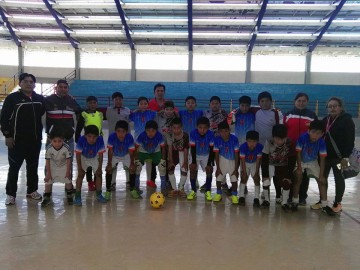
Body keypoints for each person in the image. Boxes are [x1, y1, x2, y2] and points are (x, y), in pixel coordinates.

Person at [1, 73, 45, 205]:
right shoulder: (12, 98)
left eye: (31, 82)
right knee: (14, 168)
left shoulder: (39, 98)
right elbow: (4, 118)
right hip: (16, 141)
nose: (29, 84)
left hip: (35, 140)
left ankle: (32, 191)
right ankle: (10, 194)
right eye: (26, 81)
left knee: (33, 167)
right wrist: (7, 135)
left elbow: (42, 113)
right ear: (20, 83)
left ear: (34, 84)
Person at [44, 79, 82, 189]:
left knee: (68, 163)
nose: (63, 89)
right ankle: (48, 189)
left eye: (65, 87)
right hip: (52, 139)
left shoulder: (71, 101)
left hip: (68, 138)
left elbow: (80, 112)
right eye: (60, 87)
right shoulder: (48, 100)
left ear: (68, 89)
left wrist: (74, 130)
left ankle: (68, 187)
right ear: (56, 88)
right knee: (49, 163)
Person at [321, 97, 355, 214]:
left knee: (339, 178)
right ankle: (322, 200)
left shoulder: (347, 120)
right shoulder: (326, 120)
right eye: (330, 106)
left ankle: (338, 202)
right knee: (322, 178)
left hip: (340, 158)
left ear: (340, 107)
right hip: (325, 157)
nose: (332, 108)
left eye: (335, 106)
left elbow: (350, 140)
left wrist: (345, 157)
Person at [291, 120, 333, 215]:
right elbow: (298, 153)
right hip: (301, 160)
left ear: (322, 134)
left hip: (313, 161)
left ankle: (324, 205)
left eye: (318, 133)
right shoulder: (302, 138)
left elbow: (322, 159)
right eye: (313, 132)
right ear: (308, 131)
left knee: (322, 181)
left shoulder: (322, 142)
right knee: (298, 178)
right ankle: (295, 201)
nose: (315, 135)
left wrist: (321, 175)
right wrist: (299, 168)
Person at [284, 93, 318, 205]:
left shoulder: (312, 115)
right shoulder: (288, 115)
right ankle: (290, 196)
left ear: (307, 102)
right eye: (299, 100)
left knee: (303, 175)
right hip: (290, 150)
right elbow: (283, 131)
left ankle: (302, 196)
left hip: (306, 152)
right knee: (290, 173)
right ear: (295, 101)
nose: (301, 103)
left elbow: (316, 132)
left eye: (304, 101)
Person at [254, 91, 282, 203]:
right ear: (259, 103)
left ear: (271, 101)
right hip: (259, 147)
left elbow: (280, 129)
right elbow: (241, 108)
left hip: (273, 148)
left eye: (267, 101)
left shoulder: (276, 113)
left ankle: (279, 194)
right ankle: (265, 191)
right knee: (263, 170)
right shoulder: (255, 111)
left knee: (275, 171)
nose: (265, 103)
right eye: (262, 101)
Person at [75, 95, 104, 192]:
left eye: (94, 102)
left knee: (97, 161)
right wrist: (77, 139)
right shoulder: (84, 114)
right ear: (87, 104)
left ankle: (96, 181)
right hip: (87, 141)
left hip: (98, 140)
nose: (92, 104)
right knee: (88, 163)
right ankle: (90, 182)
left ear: (97, 104)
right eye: (90, 103)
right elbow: (79, 127)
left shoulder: (100, 114)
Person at [261, 124, 292, 211]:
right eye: (277, 139)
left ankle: (284, 202)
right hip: (271, 164)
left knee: (286, 181)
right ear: (273, 137)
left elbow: (292, 159)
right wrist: (265, 175)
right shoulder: (268, 142)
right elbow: (264, 160)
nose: (280, 141)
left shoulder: (289, 142)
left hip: (283, 165)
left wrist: (289, 175)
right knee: (266, 181)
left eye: (282, 139)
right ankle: (266, 200)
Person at [74, 125, 107, 206]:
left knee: (99, 174)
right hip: (83, 156)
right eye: (89, 136)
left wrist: (99, 168)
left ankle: (99, 194)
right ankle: (77, 197)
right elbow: (78, 154)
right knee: (80, 175)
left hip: (94, 157)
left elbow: (101, 154)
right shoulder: (81, 140)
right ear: (85, 135)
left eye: (94, 137)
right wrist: (79, 168)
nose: (92, 139)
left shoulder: (100, 140)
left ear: (98, 136)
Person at [129, 97, 157, 188]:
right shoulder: (134, 114)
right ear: (138, 105)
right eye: (141, 103)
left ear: (148, 105)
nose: (143, 105)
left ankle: (149, 180)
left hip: (150, 141)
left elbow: (160, 114)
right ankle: (136, 182)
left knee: (149, 161)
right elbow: (127, 117)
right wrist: (134, 111)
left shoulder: (151, 113)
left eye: (145, 103)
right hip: (138, 142)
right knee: (138, 162)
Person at [41, 126, 73, 207]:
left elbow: (69, 161)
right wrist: (48, 173)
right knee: (48, 181)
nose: (57, 143)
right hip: (53, 166)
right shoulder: (49, 149)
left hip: (64, 166)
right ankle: (47, 197)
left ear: (63, 140)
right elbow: (47, 161)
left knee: (68, 180)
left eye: (60, 141)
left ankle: (69, 195)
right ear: (50, 140)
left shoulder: (66, 148)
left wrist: (68, 172)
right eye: (55, 141)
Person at [105, 121, 137, 200]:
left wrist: (132, 163)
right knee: (108, 169)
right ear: (115, 131)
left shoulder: (129, 137)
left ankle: (132, 189)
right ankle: (108, 191)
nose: (120, 134)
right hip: (115, 155)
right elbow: (110, 150)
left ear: (126, 132)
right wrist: (109, 163)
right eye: (118, 131)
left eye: (123, 132)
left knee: (132, 169)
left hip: (126, 154)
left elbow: (131, 151)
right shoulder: (112, 136)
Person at [135, 120, 167, 193]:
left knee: (162, 168)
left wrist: (163, 160)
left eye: (153, 131)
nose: (150, 133)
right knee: (137, 167)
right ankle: (136, 188)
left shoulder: (159, 135)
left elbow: (163, 148)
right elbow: (136, 147)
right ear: (145, 130)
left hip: (155, 152)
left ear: (156, 130)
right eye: (148, 131)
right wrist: (136, 159)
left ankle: (163, 189)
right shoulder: (142, 135)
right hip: (143, 152)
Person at [187, 117, 215, 201]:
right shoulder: (193, 133)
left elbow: (211, 149)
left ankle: (208, 191)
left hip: (206, 154)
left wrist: (209, 163)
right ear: (197, 127)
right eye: (200, 127)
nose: (202, 130)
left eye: (205, 128)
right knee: (192, 169)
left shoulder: (211, 134)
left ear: (208, 128)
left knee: (209, 170)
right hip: (195, 154)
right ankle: (193, 190)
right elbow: (193, 148)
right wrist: (194, 162)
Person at [212, 121, 240, 204]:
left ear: (229, 130)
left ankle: (234, 195)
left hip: (232, 161)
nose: (224, 133)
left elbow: (236, 154)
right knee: (219, 178)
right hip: (221, 160)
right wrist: (218, 168)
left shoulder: (234, 139)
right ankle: (218, 194)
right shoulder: (217, 139)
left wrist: (236, 168)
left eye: (226, 131)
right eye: (222, 131)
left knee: (234, 179)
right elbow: (216, 154)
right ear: (219, 132)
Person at [166, 118, 189, 198]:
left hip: (183, 153)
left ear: (181, 127)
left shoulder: (185, 135)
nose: (176, 130)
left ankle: (181, 189)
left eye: (178, 128)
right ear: (171, 128)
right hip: (173, 153)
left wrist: (185, 161)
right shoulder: (169, 135)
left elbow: (186, 149)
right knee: (170, 168)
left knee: (184, 169)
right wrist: (170, 160)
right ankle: (174, 189)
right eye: (174, 128)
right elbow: (169, 148)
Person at [239, 131, 263, 207]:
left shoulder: (260, 147)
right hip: (245, 163)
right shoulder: (243, 147)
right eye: (249, 141)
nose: (251, 144)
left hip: (254, 163)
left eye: (254, 141)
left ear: (257, 141)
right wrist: (244, 172)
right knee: (243, 178)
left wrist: (256, 172)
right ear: (246, 141)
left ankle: (256, 198)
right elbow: (242, 160)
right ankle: (241, 197)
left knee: (256, 179)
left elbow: (258, 160)